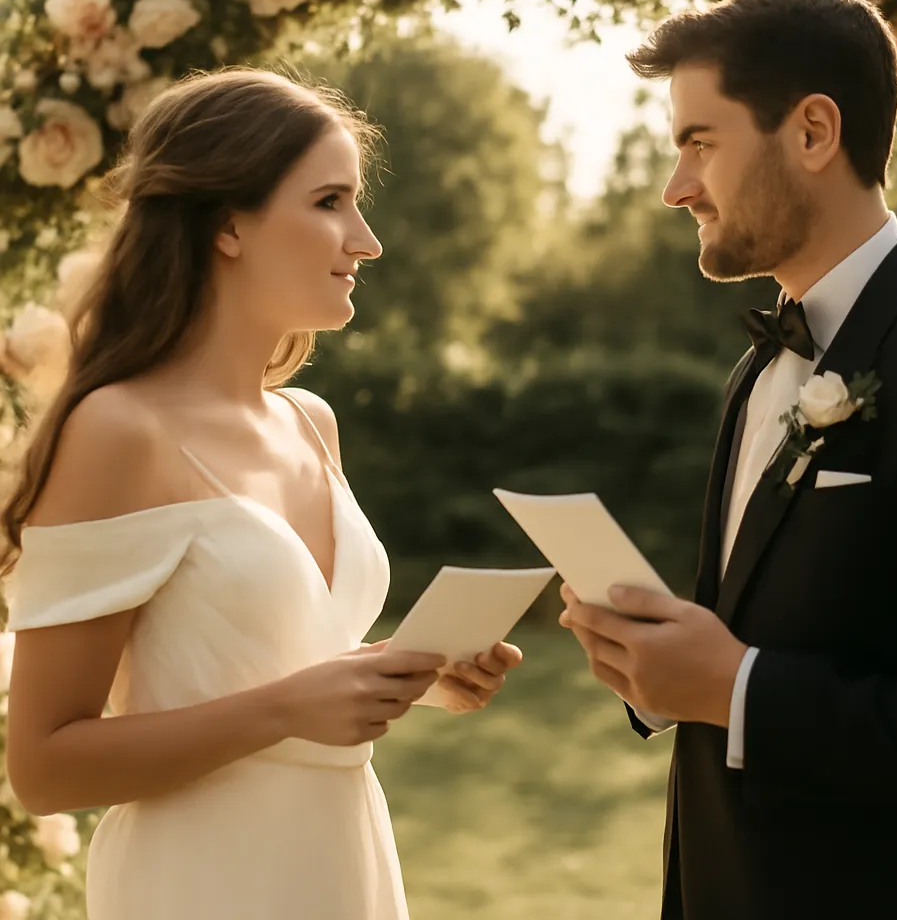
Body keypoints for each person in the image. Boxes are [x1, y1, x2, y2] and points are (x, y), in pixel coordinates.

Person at [1, 67, 522, 920]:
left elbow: (266, 664)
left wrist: (404, 675)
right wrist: (286, 709)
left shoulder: (311, 424)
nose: (366, 240)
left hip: (341, 865)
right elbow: (47, 767)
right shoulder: (118, 430)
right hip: (200, 883)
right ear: (228, 223)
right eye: (329, 202)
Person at [559, 0, 897, 920]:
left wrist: (740, 688)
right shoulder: (758, 367)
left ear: (813, 132)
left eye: (700, 143)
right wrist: (659, 674)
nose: (675, 185)